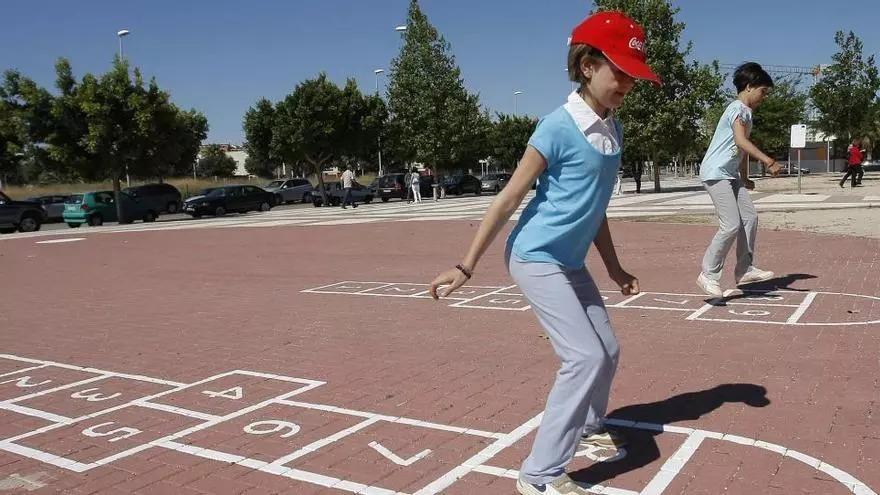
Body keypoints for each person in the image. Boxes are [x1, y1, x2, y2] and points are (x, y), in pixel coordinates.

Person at [429, 11, 659, 495]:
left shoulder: (612, 130)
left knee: (607, 351)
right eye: (619, 71)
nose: (627, 84)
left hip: (569, 261)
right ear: (587, 65)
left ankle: (590, 424)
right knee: (583, 357)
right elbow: (508, 197)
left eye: (633, 76)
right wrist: (465, 266)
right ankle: (539, 476)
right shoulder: (556, 126)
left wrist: (615, 268)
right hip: (534, 256)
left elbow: (595, 209)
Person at [695, 62, 782, 298]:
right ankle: (708, 274)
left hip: (730, 174)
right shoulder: (737, 109)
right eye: (763, 92)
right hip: (715, 173)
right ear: (750, 87)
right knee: (731, 224)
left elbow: (739, 150)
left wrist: (744, 176)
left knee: (750, 218)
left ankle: (744, 269)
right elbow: (741, 141)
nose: (764, 98)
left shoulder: (747, 114)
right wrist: (768, 161)